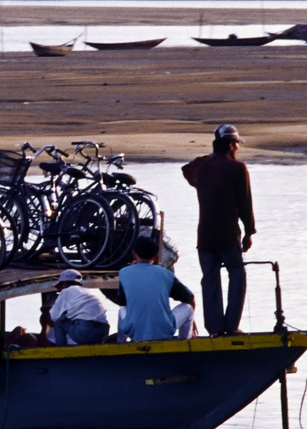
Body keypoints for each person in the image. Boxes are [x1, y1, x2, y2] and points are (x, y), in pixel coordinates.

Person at [182, 123, 256, 336]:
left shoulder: (201, 165)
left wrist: (202, 183)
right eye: (237, 144)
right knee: (237, 275)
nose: (238, 149)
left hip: (204, 236)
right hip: (227, 235)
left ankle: (214, 329)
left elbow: (186, 170)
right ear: (231, 145)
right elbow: (245, 203)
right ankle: (231, 326)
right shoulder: (237, 168)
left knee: (210, 280)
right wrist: (249, 232)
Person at [109, 236, 196, 343]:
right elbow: (189, 297)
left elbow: (123, 302)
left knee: (121, 309)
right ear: (155, 257)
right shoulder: (166, 274)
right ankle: (184, 343)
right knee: (188, 308)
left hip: (135, 331)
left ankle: (120, 343)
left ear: (134, 254)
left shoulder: (124, 273)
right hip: (164, 330)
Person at [46, 268, 112, 345]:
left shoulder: (66, 291)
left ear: (64, 283)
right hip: (103, 331)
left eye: (59, 286)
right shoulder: (89, 291)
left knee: (59, 322)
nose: (60, 290)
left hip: (85, 331)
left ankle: (60, 349)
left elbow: (54, 316)